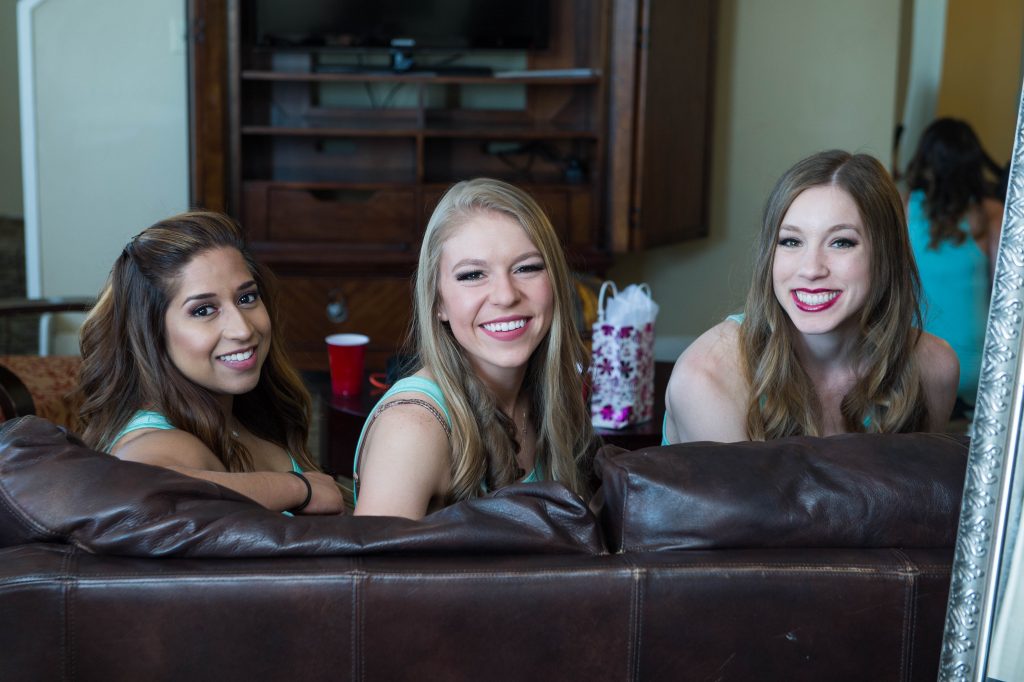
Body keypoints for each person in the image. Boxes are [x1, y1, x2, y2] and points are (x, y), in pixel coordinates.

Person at [663, 150, 959, 444]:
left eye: (841, 242)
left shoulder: (933, 370)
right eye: (791, 241)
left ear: (886, 255)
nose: (811, 269)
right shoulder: (707, 376)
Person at [353, 178, 597, 519]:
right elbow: (369, 574)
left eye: (526, 268)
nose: (505, 295)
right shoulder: (411, 429)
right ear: (437, 302)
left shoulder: (552, 396)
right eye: (472, 275)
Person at [76, 211, 345, 515]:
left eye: (246, 298)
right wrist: (300, 489)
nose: (243, 329)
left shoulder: (241, 413)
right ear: (153, 333)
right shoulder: (158, 442)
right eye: (204, 310)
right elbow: (137, 491)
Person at [904, 118, 1005, 409]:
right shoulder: (991, 213)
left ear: (924, 160)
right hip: (974, 368)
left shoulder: (906, 206)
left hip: (919, 363)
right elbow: (1004, 293)